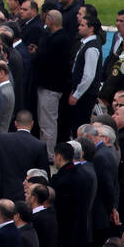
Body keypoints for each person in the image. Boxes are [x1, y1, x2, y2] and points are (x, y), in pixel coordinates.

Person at [0, 110, 48, 203]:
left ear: (16, 123)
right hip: (26, 193)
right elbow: (43, 173)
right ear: (32, 123)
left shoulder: (3, 138)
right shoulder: (39, 145)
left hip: (2, 190)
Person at [33, 9, 74, 158]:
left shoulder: (58, 40)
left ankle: (49, 154)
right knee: (45, 121)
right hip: (51, 86)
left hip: (51, 87)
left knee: (48, 122)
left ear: (50, 20)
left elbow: (43, 59)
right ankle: (44, 151)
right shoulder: (59, 38)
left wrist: (36, 54)